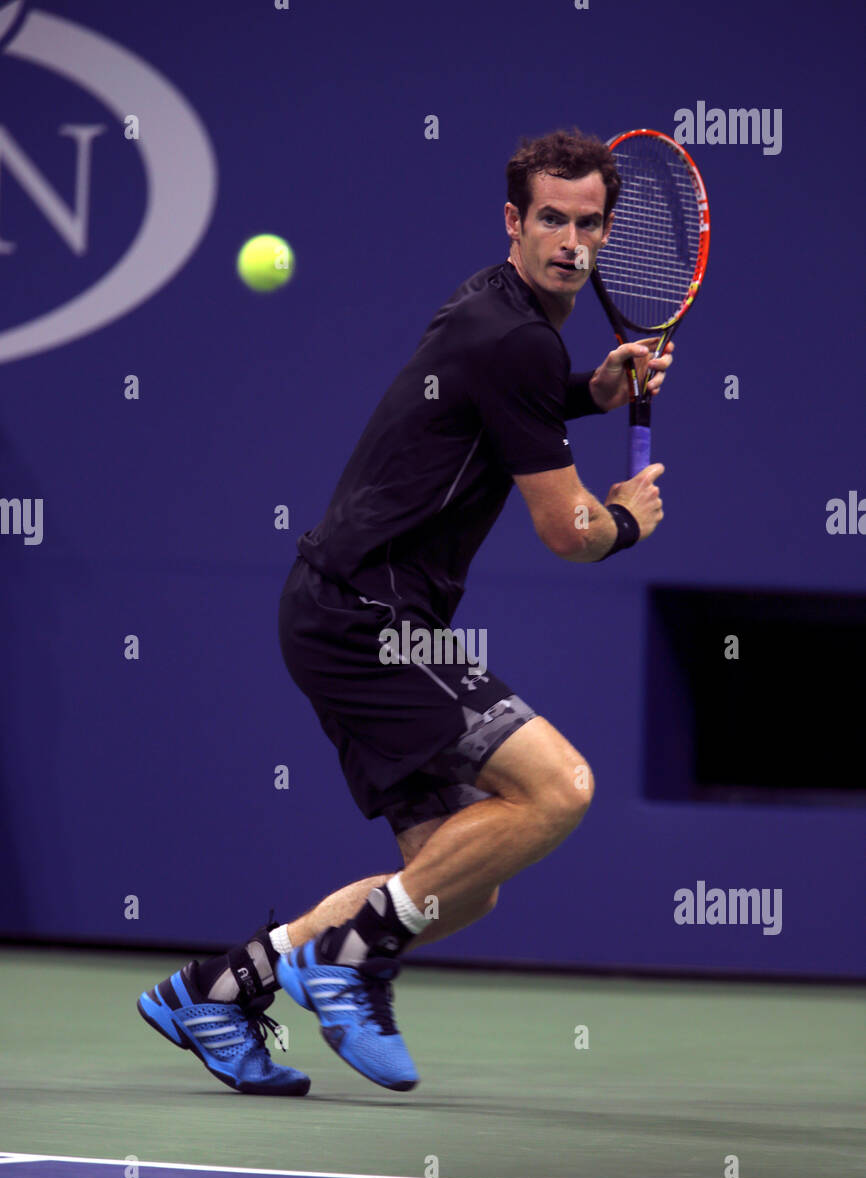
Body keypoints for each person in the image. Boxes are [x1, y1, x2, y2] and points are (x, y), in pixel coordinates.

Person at [137, 127, 671, 1096]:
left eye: (588, 223)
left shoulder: (501, 317)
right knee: (559, 787)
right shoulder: (512, 335)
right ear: (513, 220)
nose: (569, 241)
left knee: (458, 882)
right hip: (364, 614)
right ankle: (344, 960)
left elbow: (501, 405)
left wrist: (588, 393)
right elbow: (569, 531)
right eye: (549, 217)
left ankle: (214, 990)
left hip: (340, 608)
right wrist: (627, 522)